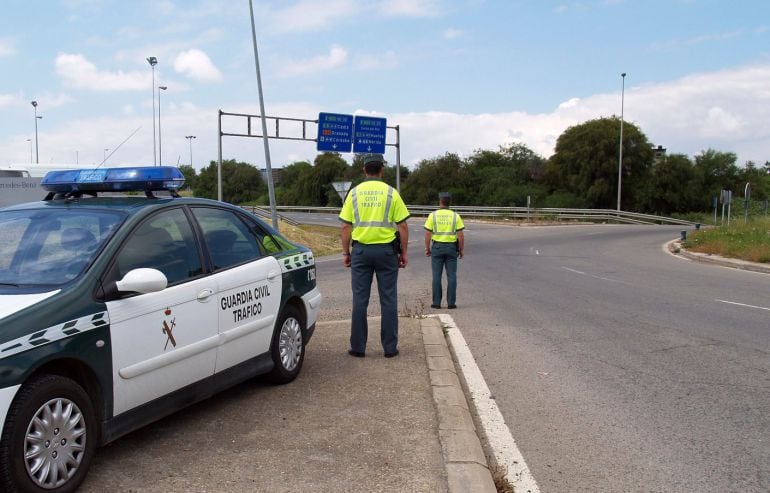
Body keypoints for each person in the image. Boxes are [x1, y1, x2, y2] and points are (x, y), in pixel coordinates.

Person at [339, 154, 410, 358]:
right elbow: (403, 225)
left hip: (361, 252)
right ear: (381, 170)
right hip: (387, 252)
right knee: (388, 299)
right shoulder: (391, 193)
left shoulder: (353, 194)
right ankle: (390, 348)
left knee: (360, 300)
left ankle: (358, 347)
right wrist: (403, 252)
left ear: (364, 170)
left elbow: (345, 226)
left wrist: (346, 253)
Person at [424, 192, 464, 309]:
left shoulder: (433, 215)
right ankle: (451, 303)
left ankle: (436, 303)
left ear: (440, 201)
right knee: (452, 276)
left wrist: (427, 248)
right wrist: (461, 249)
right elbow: (460, 235)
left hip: (437, 248)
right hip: (451, 248)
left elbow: (427, 234)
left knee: (436, 276)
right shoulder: (455, 216)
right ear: (449, 202)